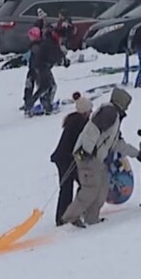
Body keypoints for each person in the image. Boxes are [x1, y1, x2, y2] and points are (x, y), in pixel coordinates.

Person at [60, 87, 140, 228]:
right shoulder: (109, 113)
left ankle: (92, 217)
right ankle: (70, 217)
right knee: (91, 188)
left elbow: (117, 143)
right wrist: (86, 151)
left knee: (102, 187)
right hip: (87, 156)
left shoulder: (114, 116)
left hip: (97, 158)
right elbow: (93, 130)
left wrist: (137, 154)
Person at [50, 93, 92, 226]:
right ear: (85, 111)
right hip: (66, 159)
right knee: (78, 185)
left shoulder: (73, 119)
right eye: (89, 110)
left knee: (71, 186)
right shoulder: (80, 123)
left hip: (64, 158)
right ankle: (65, 216)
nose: (91, 112)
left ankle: (65, 215)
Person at [27, 27, 64, 116]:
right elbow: (54, 55)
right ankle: (44, 107)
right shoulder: (49, 43)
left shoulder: (48, 41)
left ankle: (42, 106)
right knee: (47, 87)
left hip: (41, 67)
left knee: (46, 87)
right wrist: (61, 61)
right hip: (42, 67)